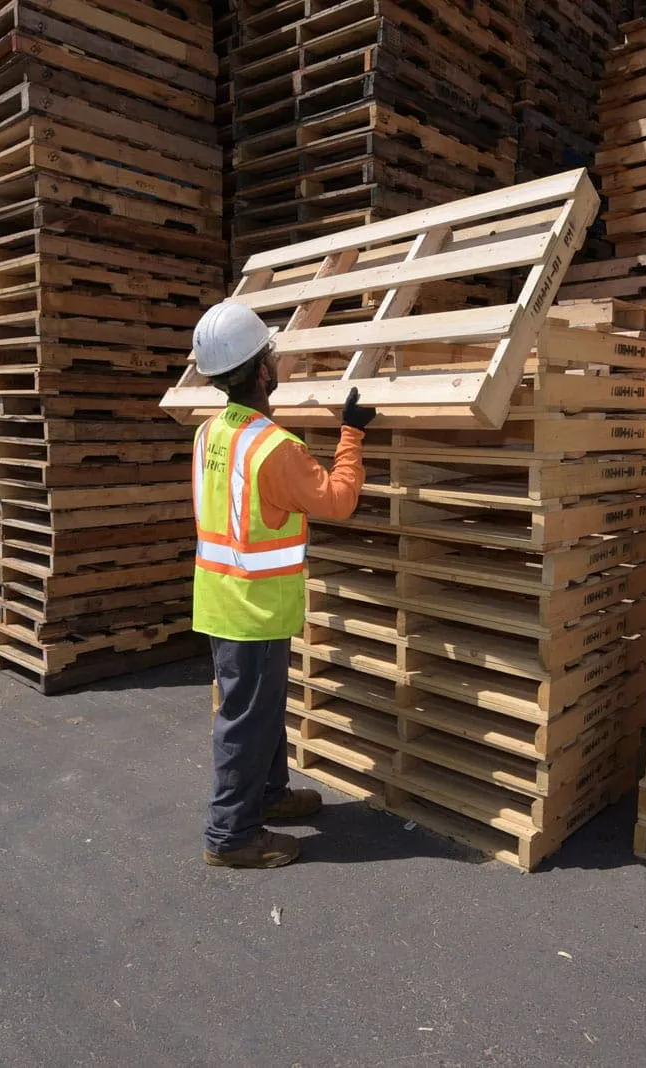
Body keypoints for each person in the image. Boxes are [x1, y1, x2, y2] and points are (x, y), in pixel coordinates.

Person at [190, 300, 375, 869]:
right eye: (271, 354)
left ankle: (268, 796)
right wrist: (351, 435)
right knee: (246, 721)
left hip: (222, 600)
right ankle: (231, 836)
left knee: (260, 710)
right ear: (263, 371)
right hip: (255, 609)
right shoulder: (275, 447)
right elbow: (338, 501)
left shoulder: (210, 433)